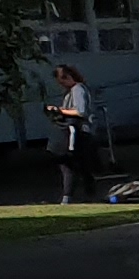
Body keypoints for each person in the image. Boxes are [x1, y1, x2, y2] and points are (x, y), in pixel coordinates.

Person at [47, 65, 96, 202]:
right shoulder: (71, 91)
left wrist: (60, 111)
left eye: (62, 82)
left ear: (68, 77)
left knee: (69, 164)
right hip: (78, 132)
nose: (62, 85)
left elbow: (80, 111)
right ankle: (89, 191)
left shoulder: (77, 89)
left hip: (80, 132)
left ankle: (68, 196)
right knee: (81, 165)